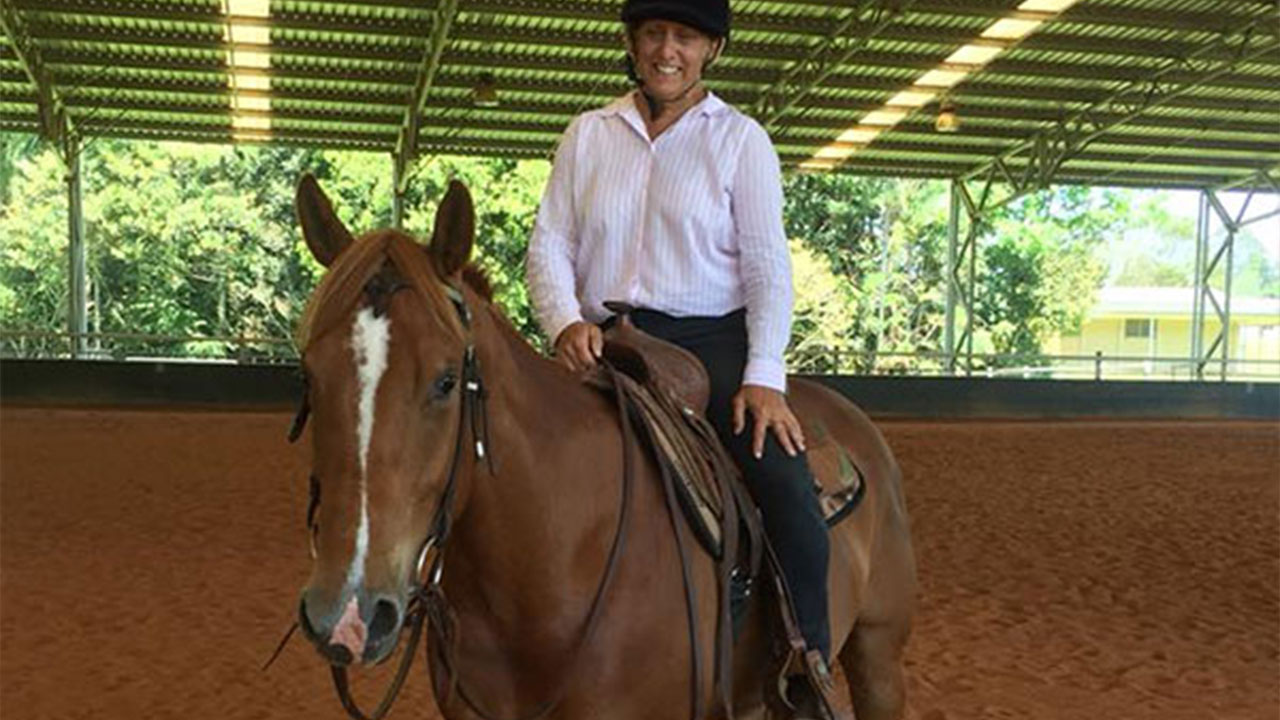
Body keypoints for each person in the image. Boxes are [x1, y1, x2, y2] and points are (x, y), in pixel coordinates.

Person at [526, 0, 834, 715]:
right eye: (655, 34)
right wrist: (563, 320)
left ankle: (803, 670)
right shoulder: (588, 134)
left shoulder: (740, 141)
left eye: (685, 37)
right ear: (633, 43)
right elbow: (549, 243)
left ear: (712, 49)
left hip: (706, 345)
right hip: (601, 341)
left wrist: (763, 377)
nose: (668, 50)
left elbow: (766, 266)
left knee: (787, 490)